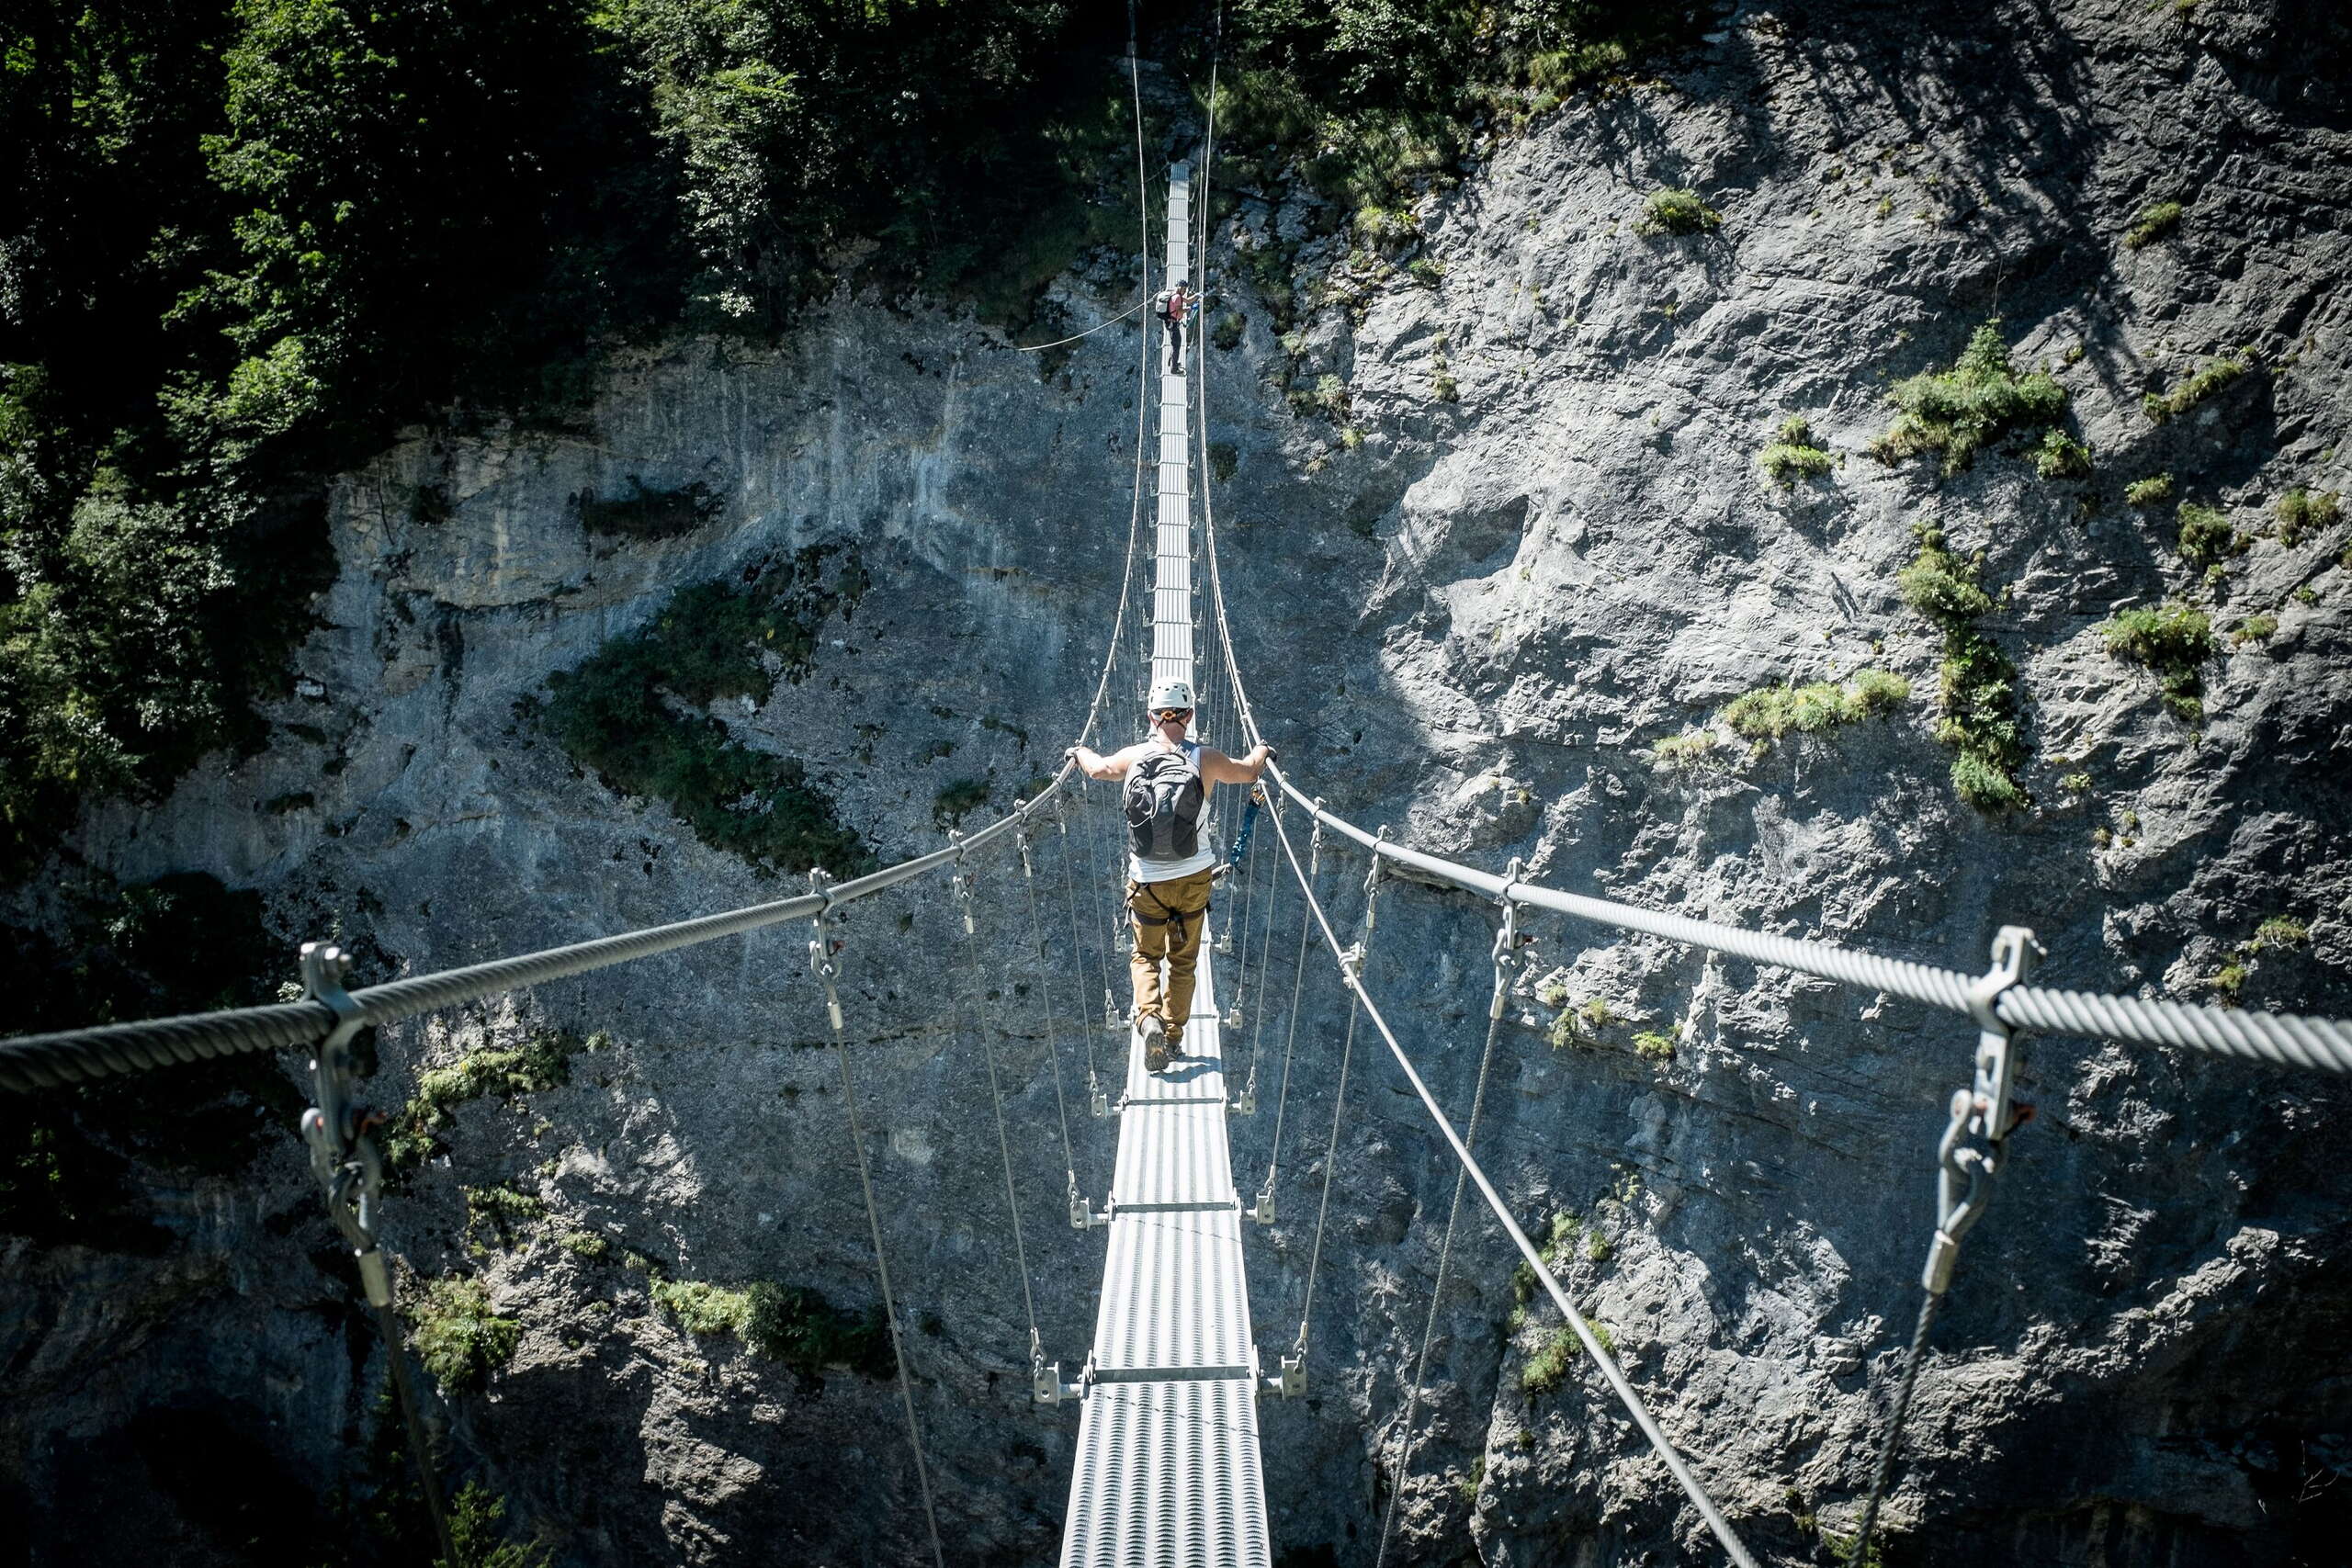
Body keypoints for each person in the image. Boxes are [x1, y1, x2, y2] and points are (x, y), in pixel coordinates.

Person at [1068, 681, 1273, 1074]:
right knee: (1183, 962)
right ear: (1189, 716)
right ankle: (1174, 1039)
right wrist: (1264, 748)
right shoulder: (1205, 758)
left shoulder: (1133, 756)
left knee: (1146, 954)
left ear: (1151, 717)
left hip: (1146, 882)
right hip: (1194, 878)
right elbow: (1249, 771)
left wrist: (1079, 751)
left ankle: (1148, 1020)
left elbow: (1096, 769)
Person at [1154, 280, 1193, 375]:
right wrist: (1190, 309)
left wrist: (1197, 296)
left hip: (1170, 323)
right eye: (1184, 289)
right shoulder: (1177, 298)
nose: (1185, 291)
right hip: (1173, 324)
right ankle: (1174, 369)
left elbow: (1188, 301)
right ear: (1179, 288)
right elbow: (1180, 312)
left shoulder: (1175, 295)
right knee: (1176, 345)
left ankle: (1173, 362)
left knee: (1175, 343)